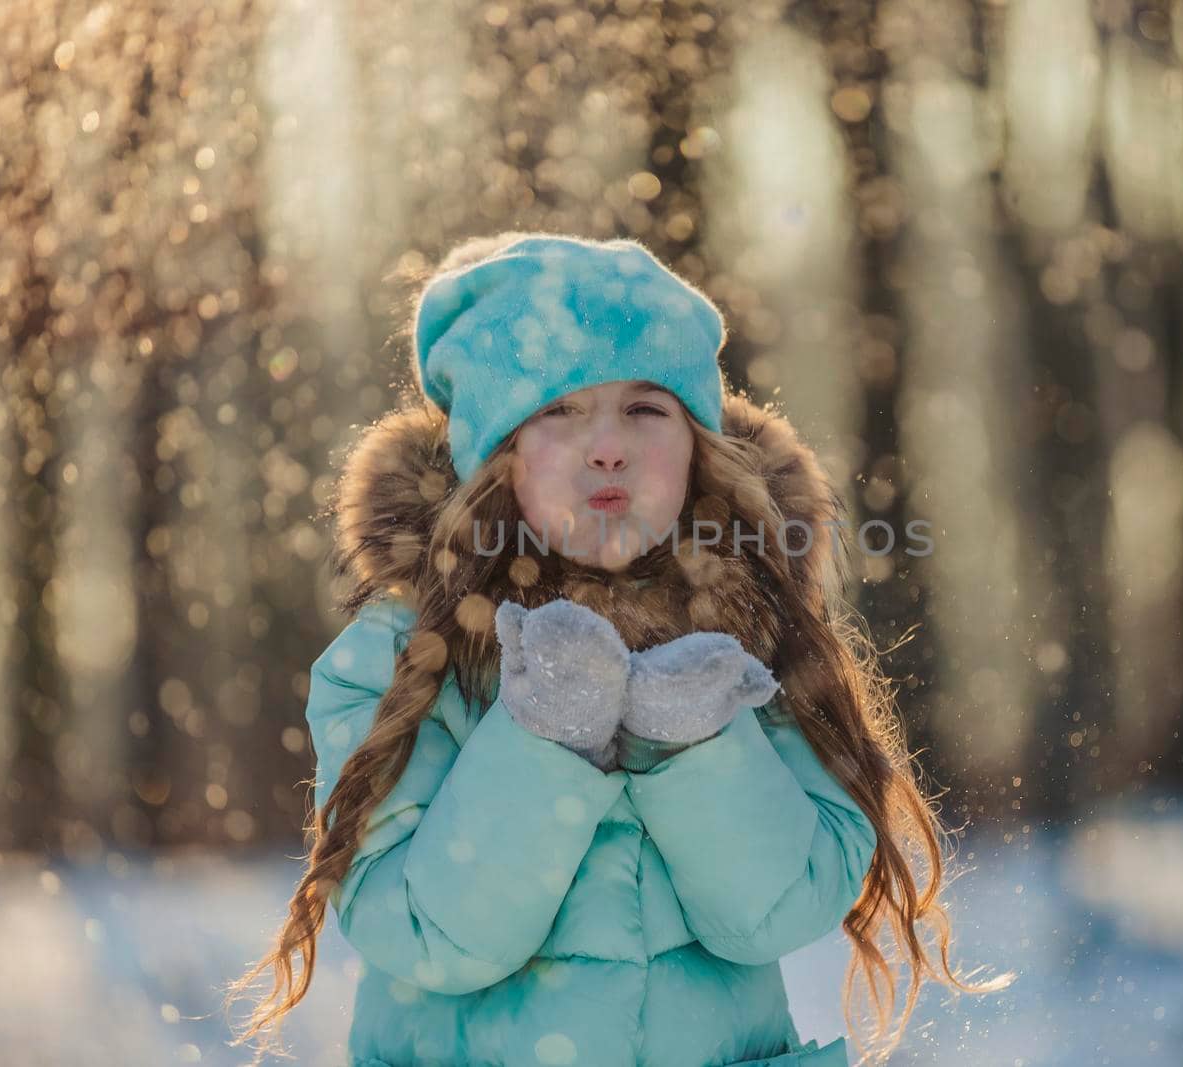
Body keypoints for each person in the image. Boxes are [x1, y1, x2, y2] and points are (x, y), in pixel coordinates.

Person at [224, 232, 1010, 1066]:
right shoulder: (399, 658)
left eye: (646, 408)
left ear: (697, 449)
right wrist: (542, 738)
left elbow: (777, 911)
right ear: (495, 456)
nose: (609, 445)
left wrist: (695, 742)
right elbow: (427, 936)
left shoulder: (749, 636)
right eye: (557, 410)